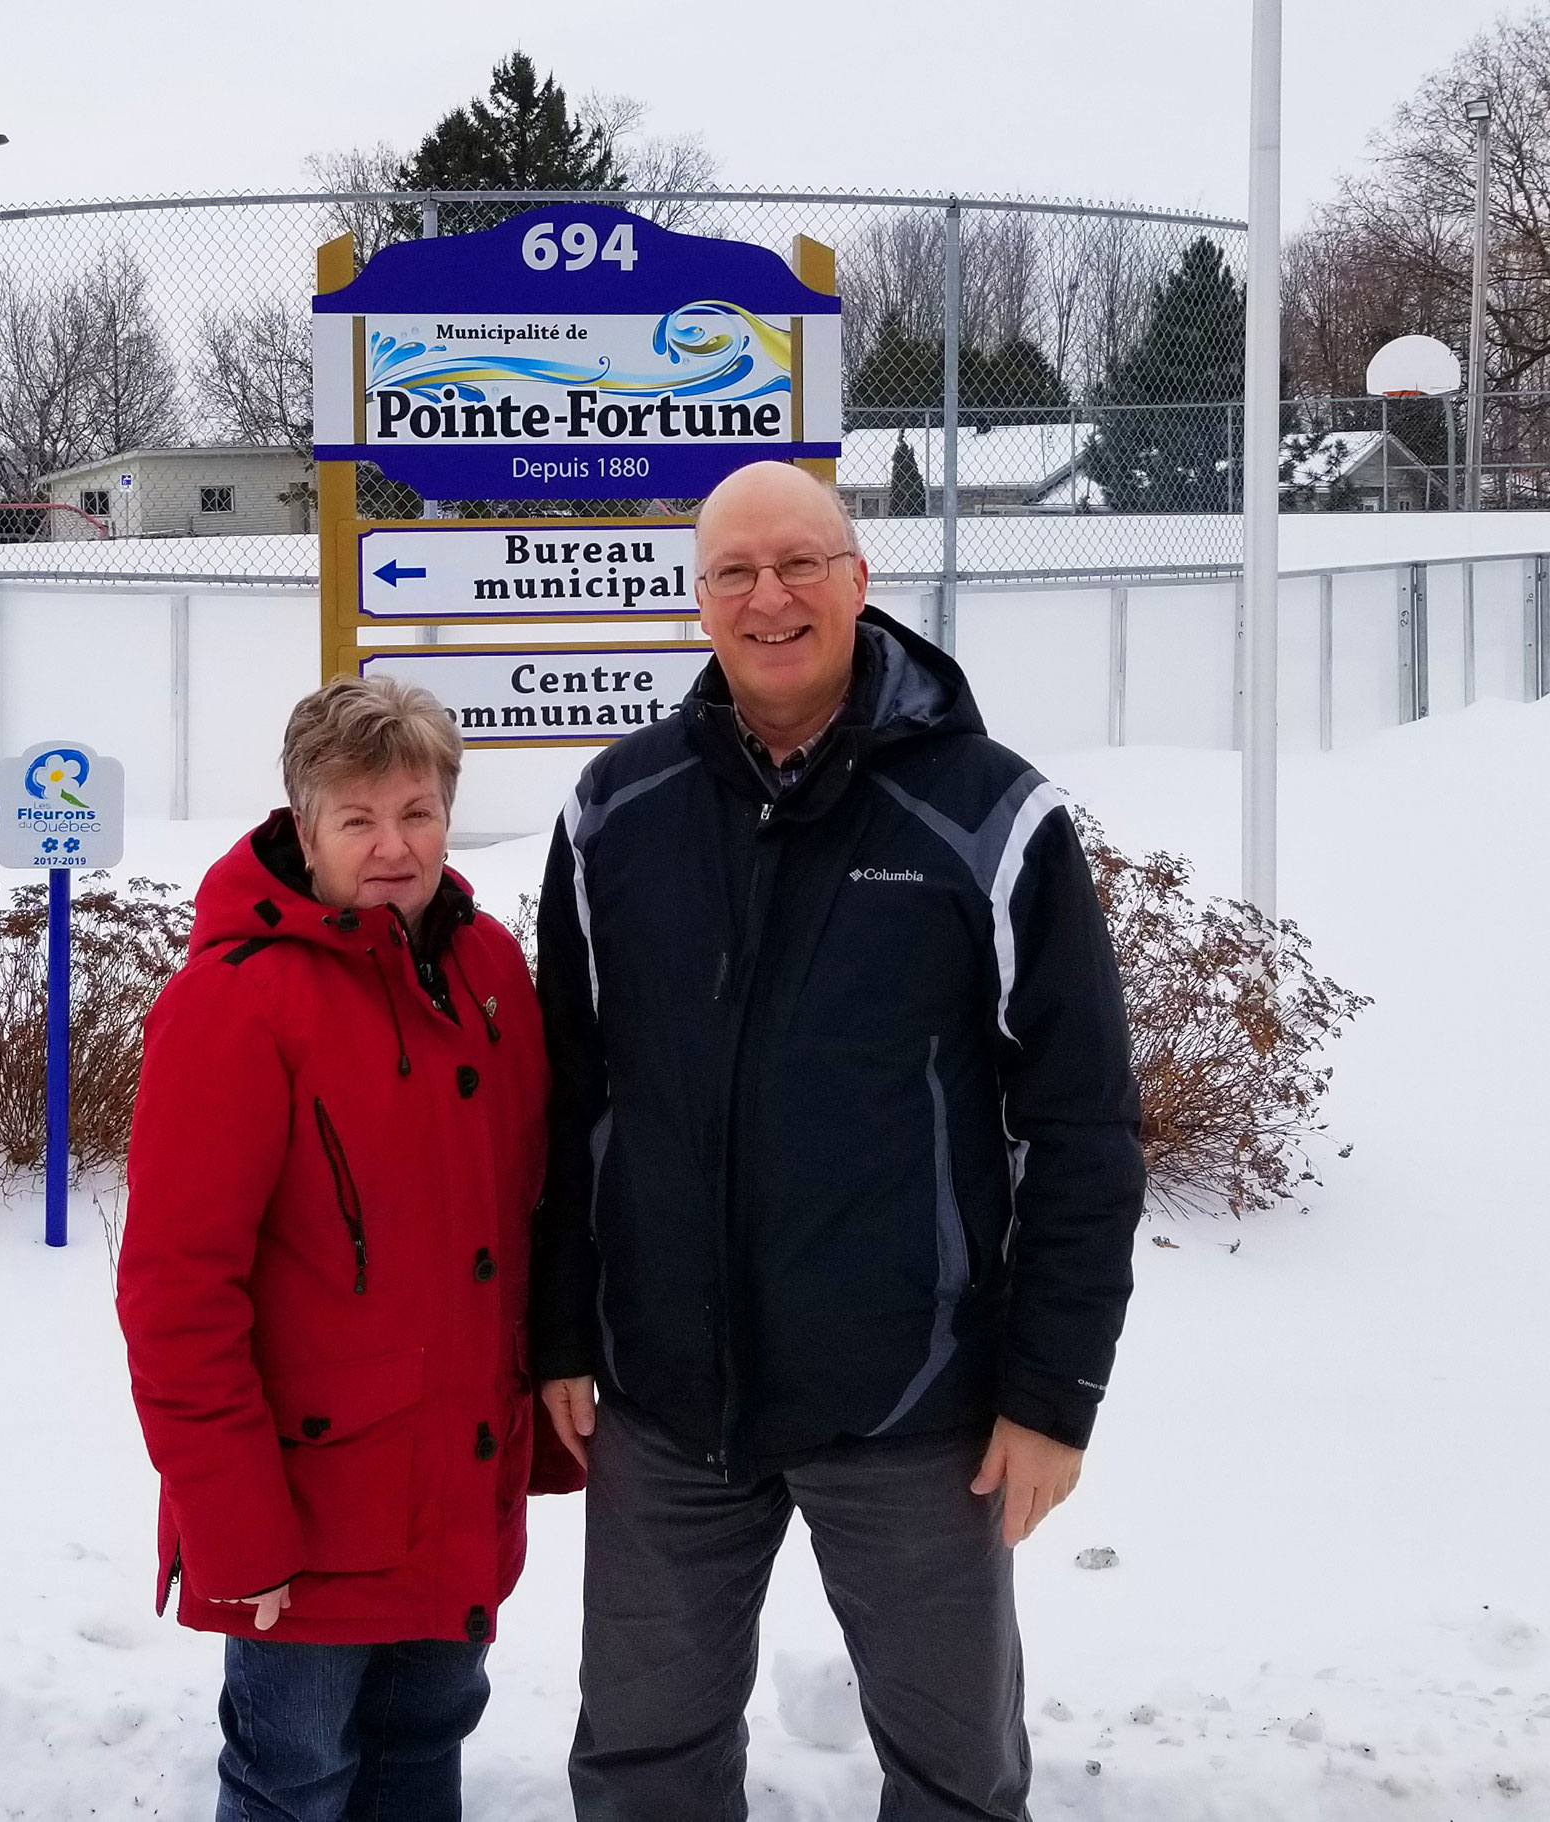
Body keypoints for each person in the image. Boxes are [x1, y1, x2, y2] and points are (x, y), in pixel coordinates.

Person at [532, 461, 1145, 1821]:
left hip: (914, 1405)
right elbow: (564, 1100)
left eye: (801, 562)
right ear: (698, 604)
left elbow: (1081, 1117)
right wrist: (564, 1336)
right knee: (641, 1764)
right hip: (665, 1399)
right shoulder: (614, 812)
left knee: (953, 1773)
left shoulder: (990, 814)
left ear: (860, 581)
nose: (771, 596)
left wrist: (1052, 1392)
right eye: (736, 571)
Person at [117, 675, 581, 1822]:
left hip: (450, 1482)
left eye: (416, 813)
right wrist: (232, 1525)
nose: (392, 846)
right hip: (304, 1514)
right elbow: (176, 1293)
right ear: (303, 826)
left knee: (420, 1756)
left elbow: (525, 1212)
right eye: (358, 819)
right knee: (294, 1779)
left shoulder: (485, 975)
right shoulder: (236, 1003)